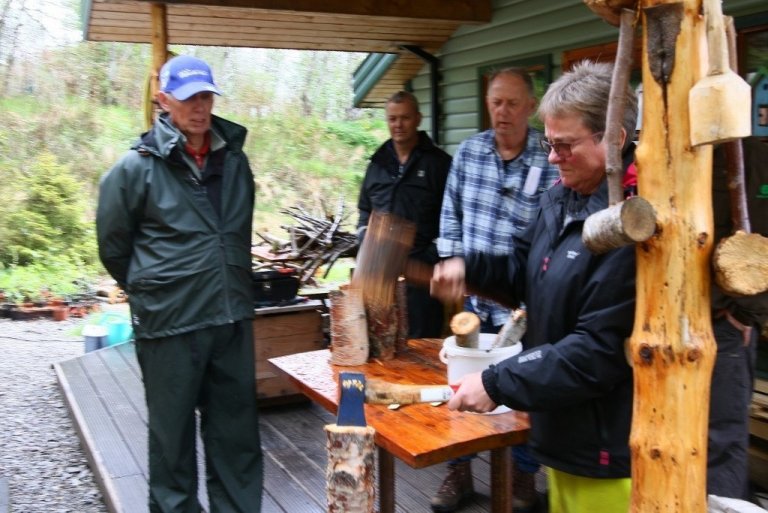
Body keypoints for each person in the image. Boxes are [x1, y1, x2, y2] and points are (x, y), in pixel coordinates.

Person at [431, 60, 639, 513]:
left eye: (564, 145)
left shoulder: (632, 226)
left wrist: (496, 383)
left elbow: (596, 352)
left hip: (609, 446)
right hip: (565, 431)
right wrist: (470, 269)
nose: (550, 157)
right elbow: (525, 271)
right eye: (549, 143)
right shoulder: (562, 198)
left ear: (614, 140)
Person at [96, 55, 263, 512]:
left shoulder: (234, 159)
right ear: (164, 99)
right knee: (172, 443)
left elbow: (238, 233)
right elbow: (114, 247)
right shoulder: (136, 168)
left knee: (237, 437)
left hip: (230, 317)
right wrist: (156, 290)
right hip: (171, 323)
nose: (200, 107)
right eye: (189, 97)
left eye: (206, 96)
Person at [433, 68, 559, 513]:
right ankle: (460, 470)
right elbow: (449, 216)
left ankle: (522, 475)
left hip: (522, 302)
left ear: (530, 107)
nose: (501, 112)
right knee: (463, 381)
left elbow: (553, 230)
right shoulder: (469, 153)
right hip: (473, 299)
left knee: (521, 382)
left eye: (511, 103)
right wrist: (452, 265)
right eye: (494, 103)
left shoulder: (549, 158)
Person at [357, 90, 452, 338]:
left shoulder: (439, 164)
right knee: (379, 344)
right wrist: (363, 240)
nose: (398, 124)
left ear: (418, 119)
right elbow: (365, 209)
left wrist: (431, 255)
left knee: (422, 347)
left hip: (420, 276)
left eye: (405, 118)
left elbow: (453, 217)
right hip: (378, 275)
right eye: (392, 119)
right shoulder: (377, 164)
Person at [708, 136, 768, 500]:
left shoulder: (753, 155)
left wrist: (746, 314)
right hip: (675, 323)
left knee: (721, 446)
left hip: (725, 326)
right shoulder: (735, 151)